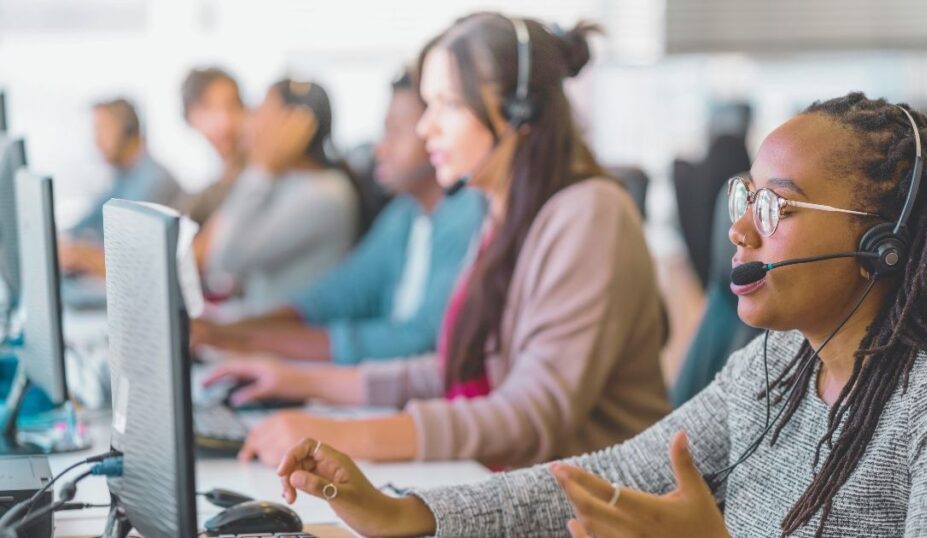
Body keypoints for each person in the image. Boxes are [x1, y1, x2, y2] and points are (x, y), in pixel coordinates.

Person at [273, 93, 927, 538]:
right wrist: (405, 514)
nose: (741, 231)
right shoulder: (781, 364)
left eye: (776, 206)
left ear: (881, 243)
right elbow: (606, 474)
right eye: (745, 197)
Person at [205, 13, 670, 469]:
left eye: (447, 103)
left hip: (595, 506)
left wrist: (340, 434)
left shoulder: (588, 214)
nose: (426, 126)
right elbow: (453, 372)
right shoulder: (504, 214)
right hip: (525, 487)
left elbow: (531, 415)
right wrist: (299, 379)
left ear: (519, 110)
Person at [191, 68, 486, 365]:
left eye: (395, 131)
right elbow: (337, 295)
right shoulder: (406, 213)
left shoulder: (467, 215)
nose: (380, 148)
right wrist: (227, 332)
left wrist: (237, 339)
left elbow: (418, 339)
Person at [202, 79, 360, 314]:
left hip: (286, 340)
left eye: (262, 112)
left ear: (294, 126)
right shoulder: (286, 181)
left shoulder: (324, 195)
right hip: (259, 327)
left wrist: (262, 167)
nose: (249, 122)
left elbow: (225, 257)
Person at [60, 98, 183, 276]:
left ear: (127, 131)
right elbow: (86, 223)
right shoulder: (121, 177)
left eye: (102, 130)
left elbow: (133, 262)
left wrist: (83, 255)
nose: (96, 141)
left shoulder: (156, 181)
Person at [177, 67, 248, 227]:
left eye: (233, 106)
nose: (225, 121)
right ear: (190, 116)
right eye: (208, 108)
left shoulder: (260, 169)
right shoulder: (214, 178)